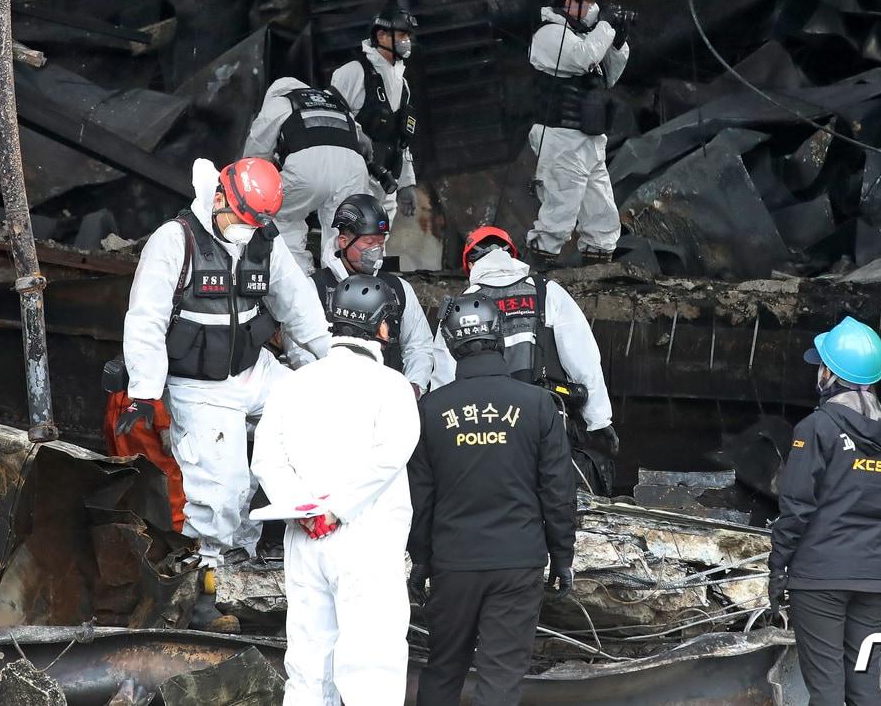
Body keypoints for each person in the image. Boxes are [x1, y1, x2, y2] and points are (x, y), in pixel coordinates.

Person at [118, 157, 333, 572]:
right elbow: (146, 318)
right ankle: (207, 574)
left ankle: (257, 549)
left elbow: (298, 302)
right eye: (241, 217)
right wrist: (143, 393)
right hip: (200, 386)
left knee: (314, 412)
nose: (246, 228)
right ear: (219, 197)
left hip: (256, 371)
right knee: (221, 490)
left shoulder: (262, 240)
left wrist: (335, 358)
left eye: (255, 222)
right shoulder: (175, 240)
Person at [251, 275, 421, 706]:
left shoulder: (293, 383)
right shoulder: (393, 386)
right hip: (365, 536)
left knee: (308, 665)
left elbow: (266, 461)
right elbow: (389, 456)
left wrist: (304, 510)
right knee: (371, 667)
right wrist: (336, 510)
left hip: (305, 538)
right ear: (385, 328)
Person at [409, 294, 575, 706]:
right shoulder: (538, 404)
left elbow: (419, 497)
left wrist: (422, 560)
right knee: (500, 679)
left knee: (444, 668)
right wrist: (562, 556)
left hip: (454, 562)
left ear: (449, 345)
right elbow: (558, 490)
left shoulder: (430, 409)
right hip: (518, 562)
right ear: (499, 336)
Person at [768, 317, 881, 706]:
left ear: (830, 374)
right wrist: (871, 560)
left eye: (822, 365)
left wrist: (778, 567)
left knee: (827, 690)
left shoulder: (816, 428)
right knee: (865, 688)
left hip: (818, 578)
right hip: (869, 580)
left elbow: (796, 506)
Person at [429, 226, 619, 494]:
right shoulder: (548, 292)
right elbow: (584, 361)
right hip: (546, 425)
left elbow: (443, 384)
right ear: (513, 256)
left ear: (470, 265)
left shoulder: (460, 308)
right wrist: (599, 421)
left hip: (483, 431)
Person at [527, 0, 632, 268]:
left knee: (601, 209)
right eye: (584, 4)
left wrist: (617, 41)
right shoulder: (549, 34)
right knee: (561, 206)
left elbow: (609, 75)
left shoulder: (584, 37)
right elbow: (584, 57)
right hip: (561, 135)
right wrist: (606, 27)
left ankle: (598, 264)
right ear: (567, 3)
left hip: (589, 137)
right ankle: (540, 269)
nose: (590, 11)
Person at [287, 193, 434, 396]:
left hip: (388, 402)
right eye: (368, 242)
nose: (376, 250)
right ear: (343, 241)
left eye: (381, 243)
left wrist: (413, 387)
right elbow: (298, 349)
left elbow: (419, 345)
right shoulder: (313, 289)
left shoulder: (399, 289)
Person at [243, 75, 372, 272]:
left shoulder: (281, 103)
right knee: (345, 232)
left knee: (282, 217)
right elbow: (364, 143)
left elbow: (256, 152)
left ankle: (299, 278)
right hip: (353, 171)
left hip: (306, 172)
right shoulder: (334, 102)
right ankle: (348, 288)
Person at [330, 1, 420, 228]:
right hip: (352, 179)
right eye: (401, 34)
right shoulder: (353, 72)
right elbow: (330, 116)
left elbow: (402, 140)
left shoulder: (404, 85)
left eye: (407, 35)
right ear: (381, 36)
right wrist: (357, 133)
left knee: (377, 243)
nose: (406, 41)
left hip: (386, 180)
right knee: (348, 239)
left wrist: (407, 183)